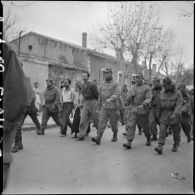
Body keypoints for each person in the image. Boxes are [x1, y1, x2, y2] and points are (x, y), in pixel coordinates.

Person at [3, 43, 28, 190]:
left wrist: (7, 120)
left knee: (17, 124)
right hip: (18, 107)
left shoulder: (5, 52)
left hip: (10, 112)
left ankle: (18, 143)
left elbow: (18, 91)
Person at [91, 67, 121, 145]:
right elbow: (100, 96)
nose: (106, 74)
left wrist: (111, 99)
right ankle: (98, 138)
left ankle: (115, 134)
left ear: (111, 73)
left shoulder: (115, 83)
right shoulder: (102, 83)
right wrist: (98, 107)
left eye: (108, 73)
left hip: (113, 107)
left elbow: (117, 93)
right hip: (104, 107)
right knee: (101, 123)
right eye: (105, 73)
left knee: (113, 124)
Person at [123, 73, 152, 149]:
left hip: (143, 110)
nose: (137, 79)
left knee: (146, 127)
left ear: (142, 78)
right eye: (136, 78)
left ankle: (148, 138)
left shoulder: (147, 88)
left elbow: (149, 98)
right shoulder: (133, 88)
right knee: (131, 125)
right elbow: (129, 97)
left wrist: (144, 104)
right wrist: (126, 102)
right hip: (134, 109)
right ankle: (129, 142)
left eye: (138, 77)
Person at [11, 77, 41, 152]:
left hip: (24, 108)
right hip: (16, 107)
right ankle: (19, 143)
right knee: (19, 125)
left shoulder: (25, 81)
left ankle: (17, 144)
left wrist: (26, 105)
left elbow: (32, 96)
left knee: (19, 124)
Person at [154, 77, 183, 154]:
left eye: (167, 84)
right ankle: (160, 146)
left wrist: (175, 114)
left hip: (174, 115)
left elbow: (179, 105)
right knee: (162, 130)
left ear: (171, 84)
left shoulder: (178, 93)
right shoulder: (161, 93)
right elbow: (159, 105)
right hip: (164, 114)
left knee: (176, 132)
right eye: (164, 85)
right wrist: (157, 115)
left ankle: (176, 143)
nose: (165, 86)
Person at [76, 72, 99, 140]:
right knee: (83, 118)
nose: (83, 77)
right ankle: (81, 135)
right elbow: (83, 95)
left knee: (95, 118)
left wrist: (98, 104)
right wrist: (81, 103)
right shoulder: (83, 85)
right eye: (82, 76)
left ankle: (99, 133)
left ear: (88, 77)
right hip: (86, 102)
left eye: (85, 76)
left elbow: (97, 94)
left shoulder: (92, 84)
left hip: (93, 101)